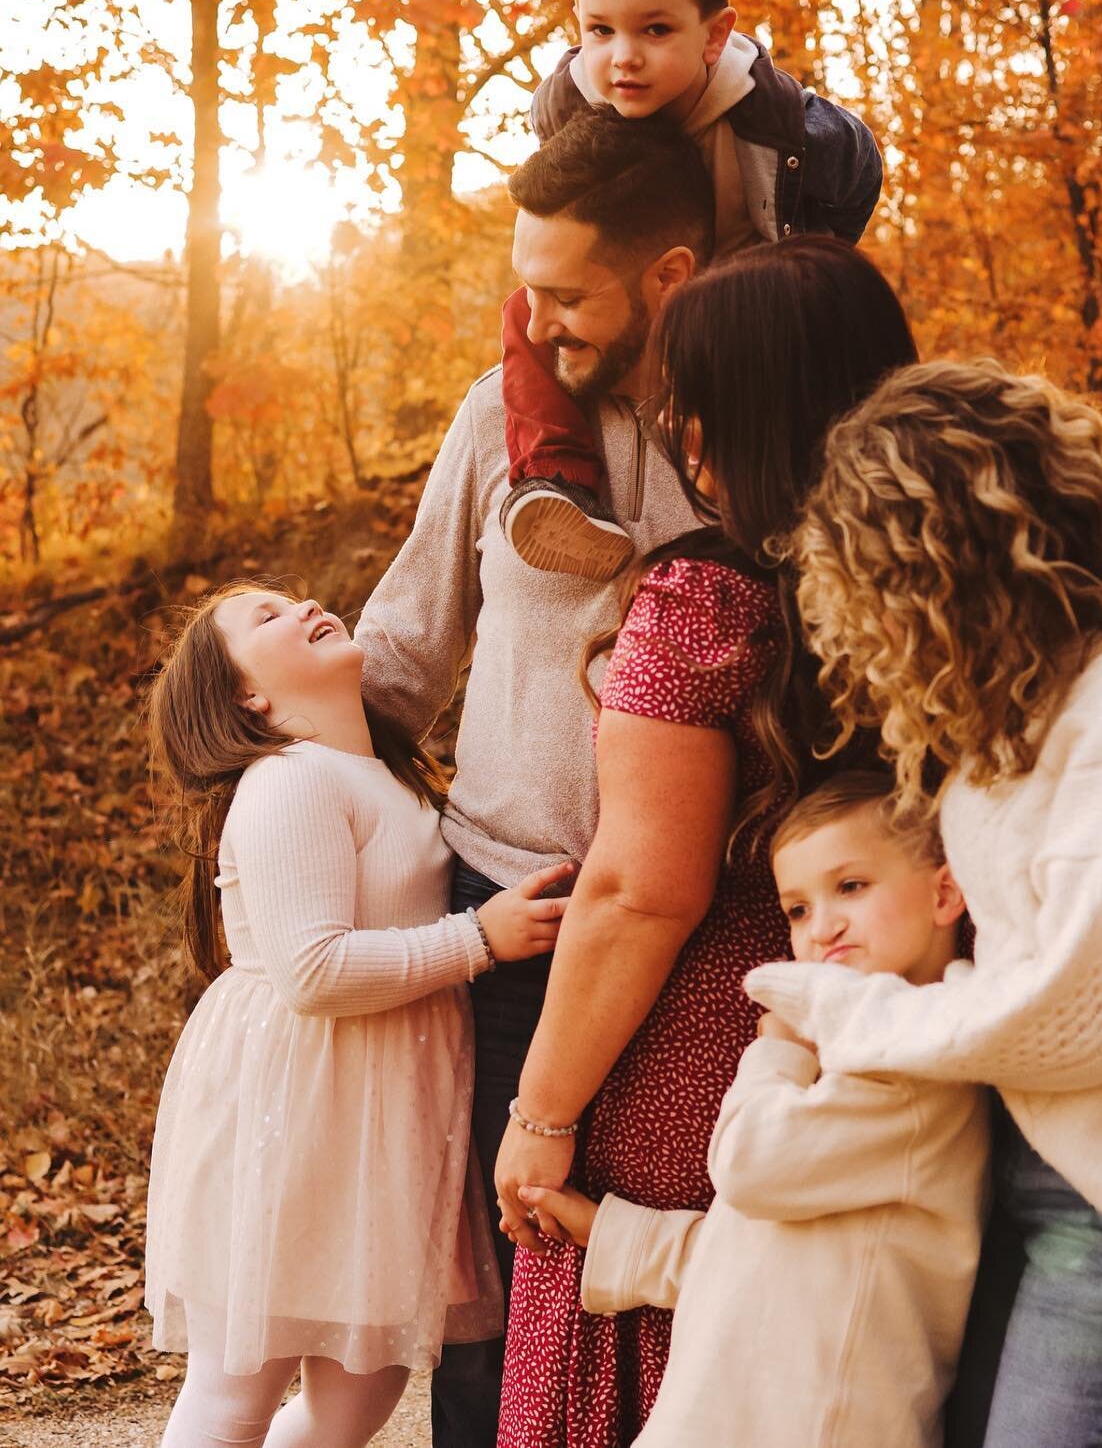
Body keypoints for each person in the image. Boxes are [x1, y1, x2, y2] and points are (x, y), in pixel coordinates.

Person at [748, 360, 1102, 1448]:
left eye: (886, 580)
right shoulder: (1044, 682)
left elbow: (1081, 1015)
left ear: (957, 548)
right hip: (1034, 1166)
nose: (883, 617)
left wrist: (841, 1009)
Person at [492, 237, 919, 1448]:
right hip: (877, 1040)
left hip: (696, 1082)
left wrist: (540, 1112)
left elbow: (638, 888)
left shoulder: (713, 602)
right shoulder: (947, 590)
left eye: (691, 402)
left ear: (736, 415)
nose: (677, 427)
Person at [355, 108, 718, 1448]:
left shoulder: (733, 440)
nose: (536, 315)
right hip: (507, 916)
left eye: (568, 291)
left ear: (668, 276)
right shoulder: (493, 420)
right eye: (527, 283)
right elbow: (401, 643)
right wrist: (264, 761)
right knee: (500, 1311)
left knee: (665, 1292)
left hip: (694, 940)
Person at [143, 583, 567, 1448]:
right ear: (246, 697)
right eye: (265, 618)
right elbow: (313, 969)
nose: (300, 604)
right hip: (289, 1113)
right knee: (235, 1392)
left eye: (292, 596)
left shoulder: (388, 778)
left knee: (362, 1396)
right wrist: (478, 938)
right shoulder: (287, 782)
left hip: (382, 1118)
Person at [517, 771, 988, 1448]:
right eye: (796, 909)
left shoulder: (915, 1057)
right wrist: (614, 1235)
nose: (821, 926)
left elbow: (751, 1167)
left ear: (944, 892)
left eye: (851, 886)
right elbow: (764, 1251)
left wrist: (776, 1048)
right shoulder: (867, 1048)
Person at [498, 0, 885, 581]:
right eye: (599, 30)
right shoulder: (566, 104)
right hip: (629, 292)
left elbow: (860, 171)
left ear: (714, 34)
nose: (623, 58)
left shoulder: (781, 119)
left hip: (738, 286)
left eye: (655, 30)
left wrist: (806, 263)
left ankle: (784, 512)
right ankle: (554, 479)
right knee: (528, 310)